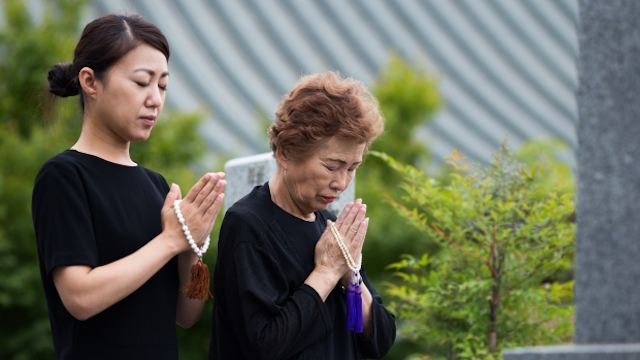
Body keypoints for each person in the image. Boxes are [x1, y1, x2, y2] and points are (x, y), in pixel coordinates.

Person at [32, 14, 226, 360]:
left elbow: (186, 316)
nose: (155, 99)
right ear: (90, 82)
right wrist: (169, 241)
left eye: (163, 85)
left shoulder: (156, 185)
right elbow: (80, 298)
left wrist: (191, 247)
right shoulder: (63, 176)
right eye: (141, 82)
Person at [208, 71, 396, 359]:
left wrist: (352, 277)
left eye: (352, 167)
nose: (341, 183)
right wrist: (326, 272)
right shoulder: (248, 224)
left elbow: (378, 339)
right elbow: (265, 345)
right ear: (285, 153)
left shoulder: (329, 224)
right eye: (332, 166)